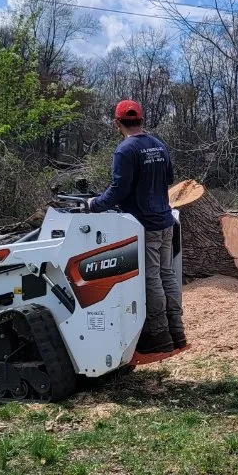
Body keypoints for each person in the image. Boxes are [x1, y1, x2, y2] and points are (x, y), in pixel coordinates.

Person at [87, 99, 185, 354]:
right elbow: (170, 178)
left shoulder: (125, 150)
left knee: (152, 277)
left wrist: (93, 204)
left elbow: (118, 191)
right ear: (141, 119)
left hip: (145, 225)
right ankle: (177, 331)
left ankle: (158, 334)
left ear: (117, 123)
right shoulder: (159, 146)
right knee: (167, 275)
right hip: (165, 221)